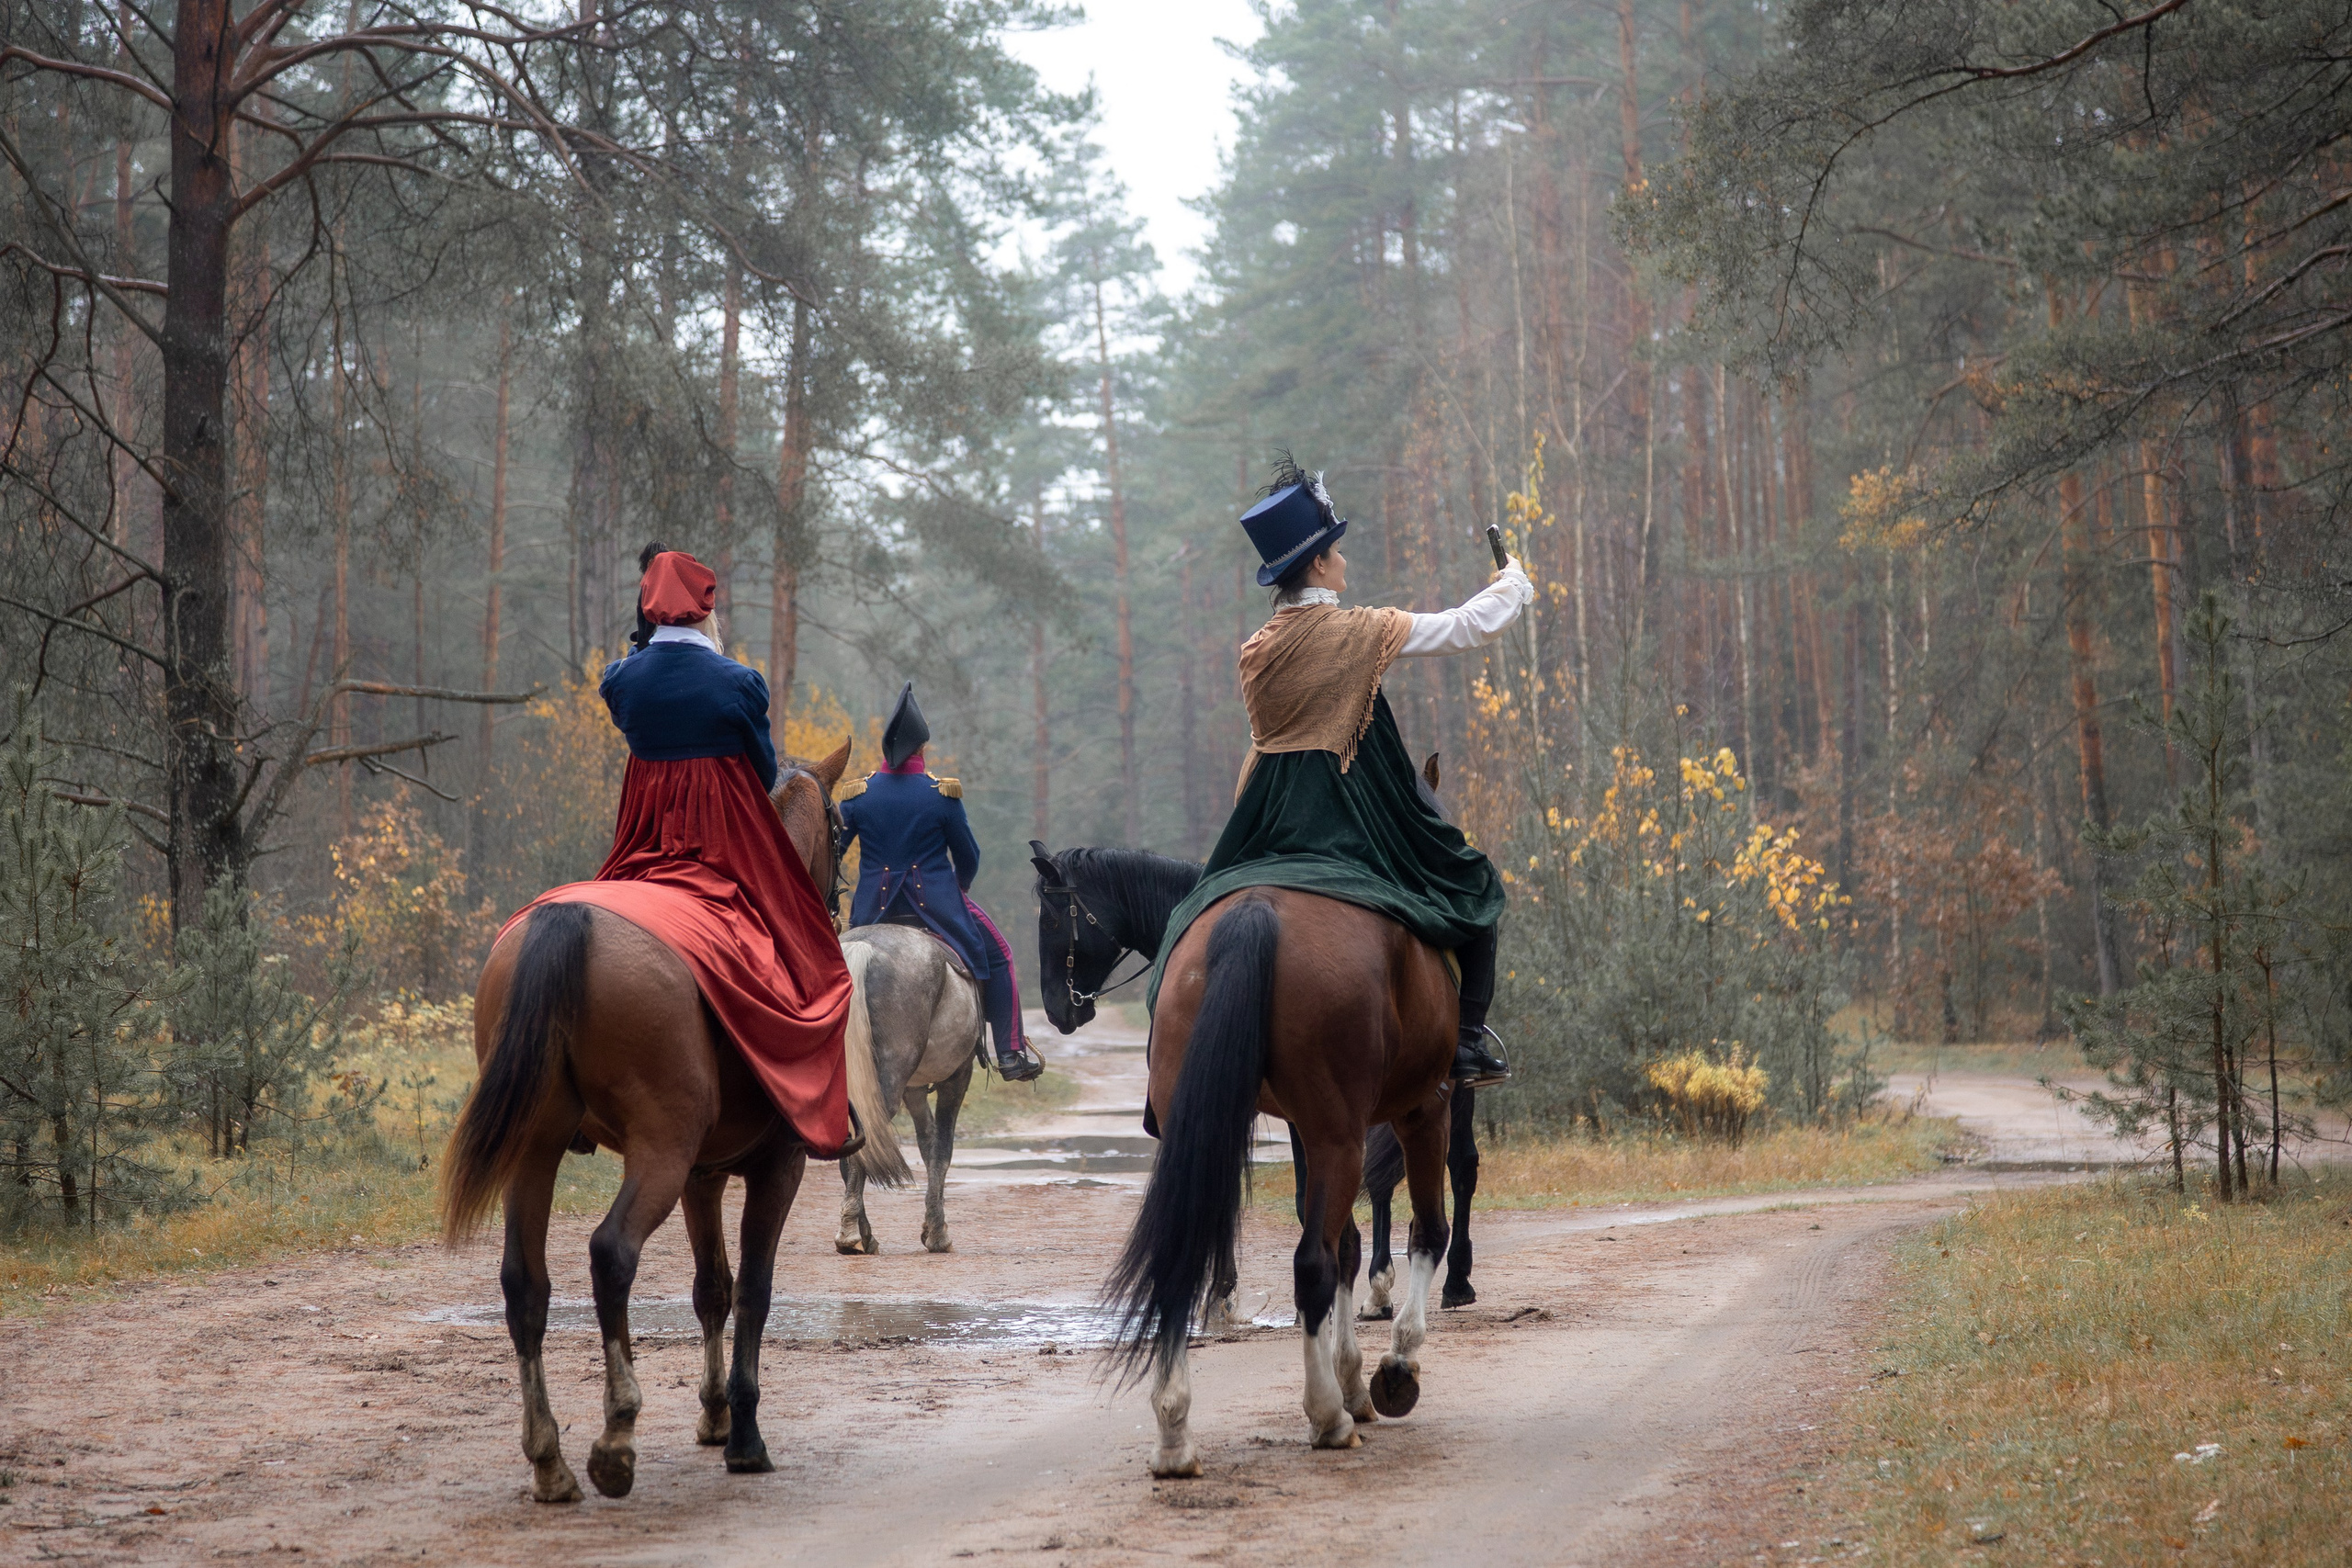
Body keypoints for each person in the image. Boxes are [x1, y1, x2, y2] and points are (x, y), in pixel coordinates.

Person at [1150, 457, 1528, 1088]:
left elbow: (1266, 739)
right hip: (1354, 812)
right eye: (1338, 551)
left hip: (1266, 818)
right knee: (1476, 885)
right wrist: (1513, 583)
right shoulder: (1362, 631)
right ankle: (1464, 1041)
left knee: (1188, 921)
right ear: (1320, 564)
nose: (1345, 561)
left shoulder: (1256, 650)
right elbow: (1467, 626)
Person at [511, 541, 858, 1156]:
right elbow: (762, 768)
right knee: (798, 945)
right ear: (705, 609)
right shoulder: (739, 683)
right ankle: (802, 1096)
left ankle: (572, 1103)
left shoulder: (622, 681)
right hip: (722, 845)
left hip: (643, 839)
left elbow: (631, 693)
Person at [836, 682, 1046, 1082]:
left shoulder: (858, 795)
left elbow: (835, 851)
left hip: (871, 911)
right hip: (937, 906)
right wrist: (959, 889)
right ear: (921, 748)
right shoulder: (940, 794)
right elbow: (969, 856)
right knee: (1000, 955)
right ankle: (1010, 1052)